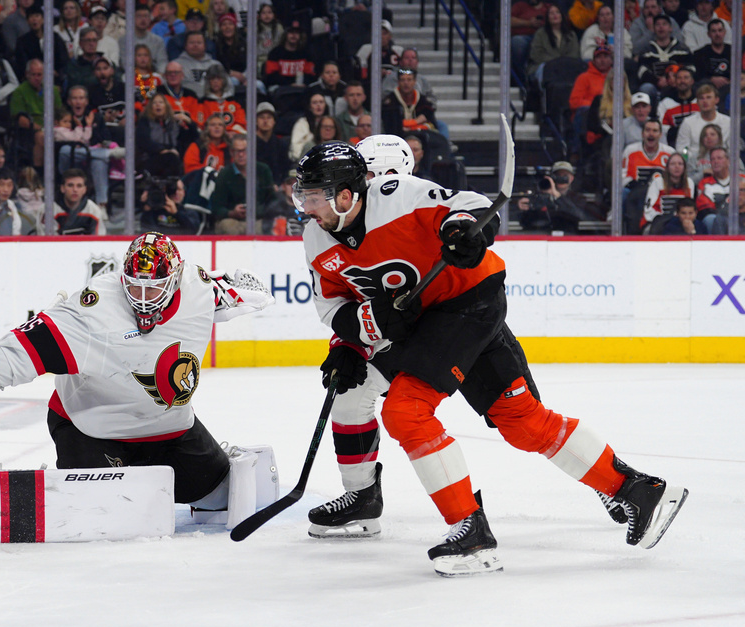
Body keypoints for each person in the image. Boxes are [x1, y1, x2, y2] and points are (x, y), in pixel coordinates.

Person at [292, 141, 689, 576]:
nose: (306, 208)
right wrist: (355, 336)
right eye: (304, 197)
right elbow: (335, 308)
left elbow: (469, 206)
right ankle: (639, 491)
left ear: (346, 193)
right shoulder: (316, 238)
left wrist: (464, 231)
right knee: (521, 421)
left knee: (406, 411)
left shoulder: (397, 197)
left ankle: (471, 531)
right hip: (423, 325)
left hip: (468, 302)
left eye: (313, 197)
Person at [0, 232, 274, 544]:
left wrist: (245, 288)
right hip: (92, 431)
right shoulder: (93, 309)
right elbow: (34, 342)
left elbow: (224, 289)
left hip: (171, 431)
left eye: (154, 287)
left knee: (220, 496)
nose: (143, 297)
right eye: (135, 285)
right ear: (122, 278)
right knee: (97, 512)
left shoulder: (198, 291)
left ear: (176, 281)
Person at [55, 84, 112, 213]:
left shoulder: (95, 117)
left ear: (86, 101)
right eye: (74, 98)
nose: (78, 102)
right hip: (69, 161)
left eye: (81, 98)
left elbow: (105, 138)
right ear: (69, 101)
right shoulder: (64, 117)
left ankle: (101, 205)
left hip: (90, 160)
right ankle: (107, 154)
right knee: (65, 150)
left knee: (99, 163)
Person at [212, 133, 276, 235]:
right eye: (237, 151)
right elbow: (216, 207)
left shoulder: (263, 170)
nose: (241, 155)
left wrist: (258, 211)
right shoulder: (225, 174)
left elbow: (272, 200)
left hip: (258, 220)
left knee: (267, 226)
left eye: (244, 150)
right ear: (231, 152)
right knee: (227, 226)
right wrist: (232, 213)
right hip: (233, 221)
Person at [527, 4, 579, 87]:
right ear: (547, 17)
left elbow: (574, 54)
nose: (555, 15)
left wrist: (561, 63)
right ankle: (543, 97)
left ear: (562, 15)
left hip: (566, 67)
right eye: (551, 13)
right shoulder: (540, 33)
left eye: (557, 12)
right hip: (545, 66)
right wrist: (555, 62)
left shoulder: (571, 35)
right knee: (543, 69)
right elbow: (536, 55)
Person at [675, 83, 730, 161]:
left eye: (708, 97)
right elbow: (682, 149)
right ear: (697, 102)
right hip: (694, 166)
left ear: (716, 100)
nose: (705, 101)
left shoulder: (728, 122)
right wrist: (693, 160)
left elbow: (732, 150)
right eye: (701, 98)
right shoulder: (688, 122)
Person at [642, 151, 694, 233]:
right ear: (667, 167)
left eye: (680, 164)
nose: (677, 167)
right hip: (659, 222)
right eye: (673, 164)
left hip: (681, 221)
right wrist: (665, 219)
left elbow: (690, 207)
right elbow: (649, 210)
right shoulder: (658, 182)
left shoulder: (689, 183)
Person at [382, 68, 439, 138]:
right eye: (402, 80)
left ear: (414, 81)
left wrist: (409, 127)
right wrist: (417, 122)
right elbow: (391, 127)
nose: (406, 83)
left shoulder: (423, 101)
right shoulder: (390, 101)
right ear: (398, 82)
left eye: (409, 80)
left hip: (421, 138)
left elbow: (432, 125)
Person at [52, 168, 106, 235]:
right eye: (70, 185)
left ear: (84, 190)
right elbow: (46, 242)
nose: (75, 190)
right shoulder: (49, 210)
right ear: (62, 188)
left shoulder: (94, 211)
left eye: (79, 186)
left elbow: (98, 241)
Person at [622, 118, 674, 187]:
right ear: (642, 133)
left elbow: (675, 177)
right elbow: (622, 176)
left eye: (655, 131)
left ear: (660, 134)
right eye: (647, 130)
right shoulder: (630, 151)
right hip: (634, 192)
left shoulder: (670, 153)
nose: (651, 134)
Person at [197, 64, 245, 134]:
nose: (215, 81)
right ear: (208, 81)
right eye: (212, 78)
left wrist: (233, 132)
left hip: (232, 139)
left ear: (224, 80)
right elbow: (200, 126)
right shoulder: (202, 103)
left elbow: (241, 124)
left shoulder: (234, 102)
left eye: (219, 78)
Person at [174, 30, 222, 99]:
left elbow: (228, 87)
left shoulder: (216, 65)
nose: (195, 45)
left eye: (199, 43)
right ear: (185, 46)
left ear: (205, 46)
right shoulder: (175, 65)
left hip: (213, 103)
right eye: (192, 42)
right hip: (186, 103)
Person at [657, 66, 697, 145]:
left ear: (692, 81)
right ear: (675, 81)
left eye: (686, 78)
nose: (682, 81)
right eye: (679, 78)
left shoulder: (700, 100)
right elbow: (662, 128)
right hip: (674, 143)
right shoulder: (665, 103)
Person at [691, 18, 732, 93]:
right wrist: (711, 79)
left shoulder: (733, 51)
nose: (717, 34)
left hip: (730, 88)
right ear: (708, 34)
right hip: (707, 88)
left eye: (720, 30)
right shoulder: (700, 53)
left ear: (724, 32)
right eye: (714, 31)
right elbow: (699, 76)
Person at [289, 91, 330, 161]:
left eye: (321, 102)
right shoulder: (302, 123)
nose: (318, 105)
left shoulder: (330, 122)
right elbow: (295, 148)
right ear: (309, 107)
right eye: (315, 103)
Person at [255, 101, 290, 184]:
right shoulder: (249, 144)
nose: (265, 121)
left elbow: (285, 169)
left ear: (274, 121)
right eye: (262, 117)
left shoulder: (281, 144)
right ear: (256, 121)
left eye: (269, 117)